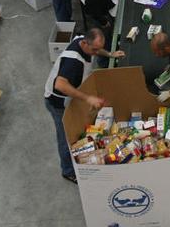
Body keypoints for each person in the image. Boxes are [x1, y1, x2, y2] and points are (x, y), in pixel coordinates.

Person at [44, 28, 123, 183]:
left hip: (70, 97)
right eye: (94, 49)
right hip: (58, 102)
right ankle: (68, 171)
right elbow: (60, 84)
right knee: (65, 138)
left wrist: (109, 54)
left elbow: (97, 48)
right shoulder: (73, 62)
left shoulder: (82, 40)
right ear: (85, 43)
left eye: (98, 48)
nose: (96, 52)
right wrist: (88, 98)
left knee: (77, 130)